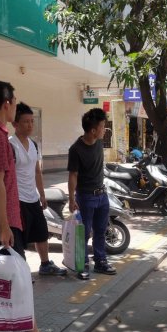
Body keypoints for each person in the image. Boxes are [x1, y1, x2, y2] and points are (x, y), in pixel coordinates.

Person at [0, 80, 69, 332]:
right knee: (18, 279)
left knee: (1, 279)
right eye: (14, 101)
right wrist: (4, 225)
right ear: (6, 103)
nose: (15, 106)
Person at [9, 102, 67, 276]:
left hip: (33, 197)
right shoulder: (10, 145)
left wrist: (42, 194)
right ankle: (21, 271)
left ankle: (45, 264)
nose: (30, 125)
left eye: (32, 121)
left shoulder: (33, 145)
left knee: (42, 232)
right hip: (17, 199)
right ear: (15, 124)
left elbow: (37, 171)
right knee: (20, 238)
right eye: (26, 121)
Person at [68, 108, 116, 280]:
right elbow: (73, 175)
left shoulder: (98, 142)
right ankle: (82, 265)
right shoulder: (76, 149)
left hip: (102, 195)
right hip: (86, 196)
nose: (105, 129)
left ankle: (100, 261)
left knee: (101, 230)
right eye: (103, 126)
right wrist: (72, 199)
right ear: (93, 130)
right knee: (84, 233)